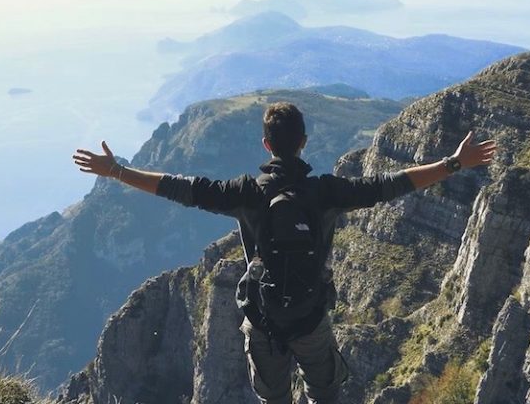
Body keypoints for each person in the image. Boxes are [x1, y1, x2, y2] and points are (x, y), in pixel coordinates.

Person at [72, 102, 497, 404]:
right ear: (304, 142)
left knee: (272, 397)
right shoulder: (327, 192)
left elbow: (180, 187)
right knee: (324, 393)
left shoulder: (243, 194)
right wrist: (454, 164)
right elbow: (392, 184)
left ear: (266, 145)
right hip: (311, 317)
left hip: (263, 320)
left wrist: (117, 171)